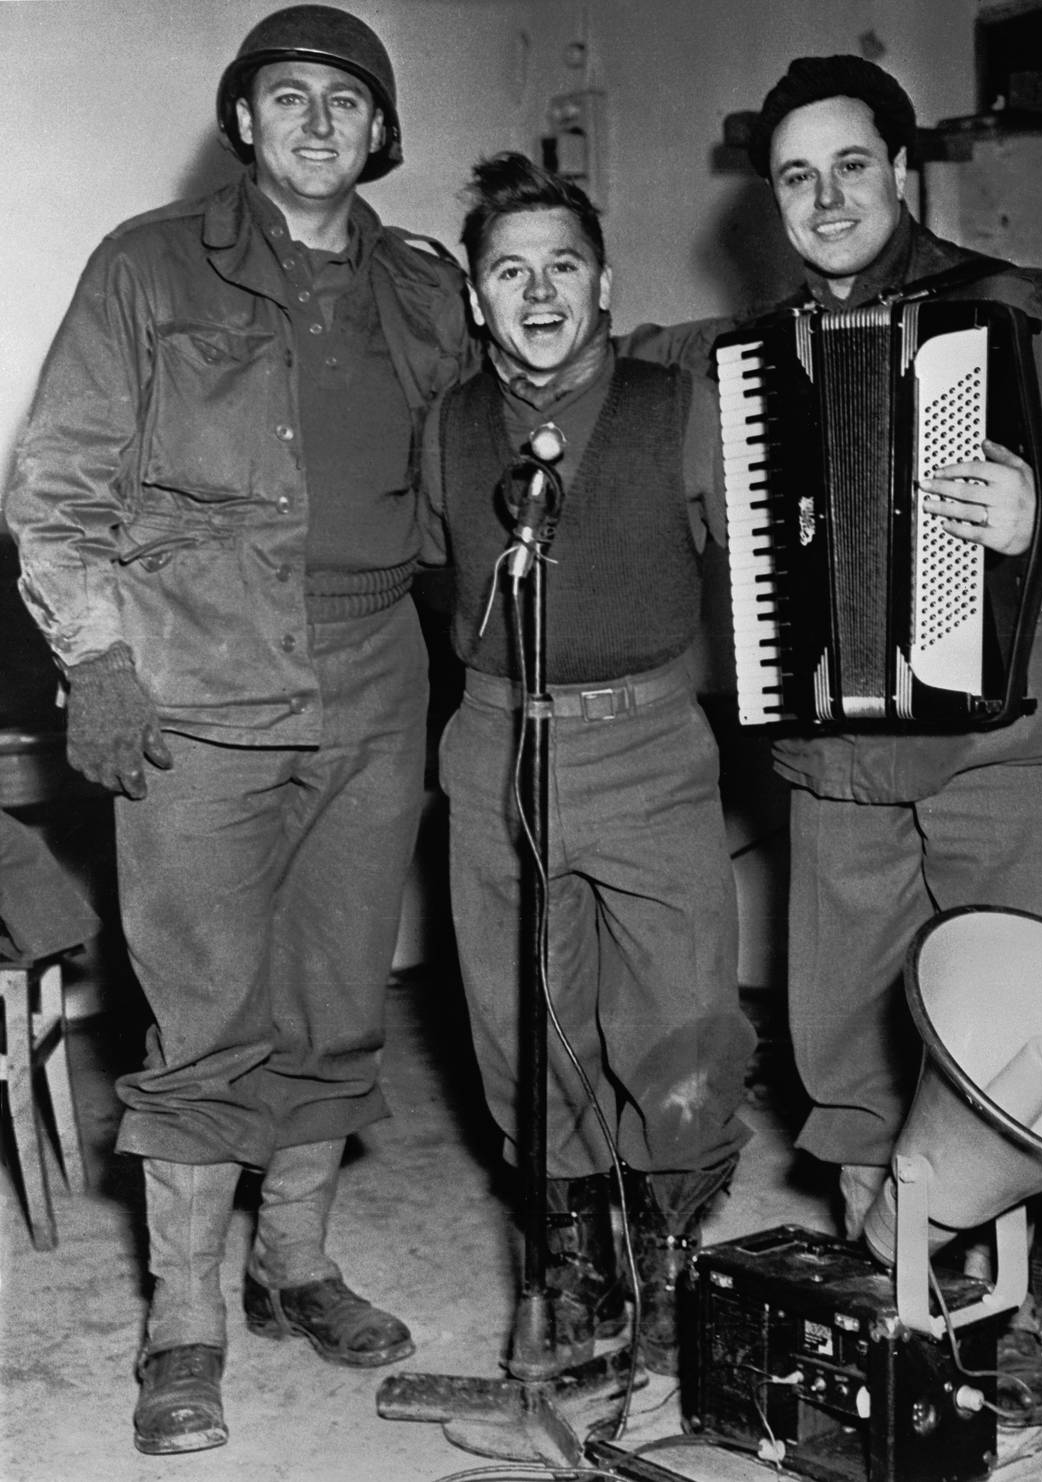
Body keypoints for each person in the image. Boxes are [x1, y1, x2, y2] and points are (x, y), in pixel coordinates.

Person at [625, 54, 1042, 1424]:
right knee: (848, 1036)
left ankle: (999, 1311)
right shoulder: (747, 362)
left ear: (901, 171)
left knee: (1015, 1036)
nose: (826, 199)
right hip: (842, 757)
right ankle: (902, 1300)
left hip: (1017, 734)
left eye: (850, 166)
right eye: (796, 177)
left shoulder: (1008, 305)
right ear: (771, 199)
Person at [4, 4, 472, 1456]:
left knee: (340, 997)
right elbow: (54, 487)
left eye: (347, 99)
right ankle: (184, 1320)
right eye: (288, 96)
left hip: (379, 677)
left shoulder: (426, 287)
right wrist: (99, 660)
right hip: (200, 686)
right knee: (207, 1017)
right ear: (244, 120)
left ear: (380, 132)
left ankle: (297, 1264)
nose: (318, 121)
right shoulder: (147, 265)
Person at [420, 152, 757, 1375]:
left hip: (650, 745)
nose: (539, 292)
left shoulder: (684, 406)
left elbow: (765, 563)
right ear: (476, 298)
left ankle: (666, 1256)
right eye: (510, 271)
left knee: (682, 1010)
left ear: (604, 282)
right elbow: (427, 574)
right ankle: (569, 1257)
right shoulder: (448, 425)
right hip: (495, 744)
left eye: (563, 265)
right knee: (520, 1015)